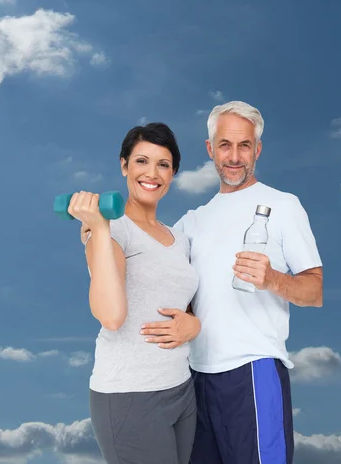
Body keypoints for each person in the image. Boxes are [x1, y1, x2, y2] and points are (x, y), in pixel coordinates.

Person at [141, 101, 324, 464]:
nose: (235, 156)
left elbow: (314, 291)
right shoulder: (191, 223)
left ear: (257, 149)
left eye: (245, 145)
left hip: (253, 371)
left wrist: (272, 278)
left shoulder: (283, 205)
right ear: (211, 149)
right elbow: (153, 273)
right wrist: (98, 231)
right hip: (194, 380)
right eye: (225, 144)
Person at [69, 123, 202, 464]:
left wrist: (194, 325)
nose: (152, 173)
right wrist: (98, 228)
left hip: (181, 389)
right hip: (130, 395)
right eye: (141, 161)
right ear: (124, 165)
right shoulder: (113, 231)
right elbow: (111, 316)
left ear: (173, 174)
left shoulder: (180, 239)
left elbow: (185, 307)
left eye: (164, 164)